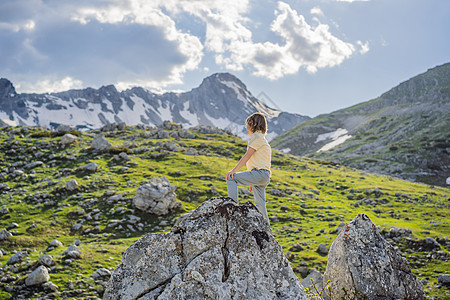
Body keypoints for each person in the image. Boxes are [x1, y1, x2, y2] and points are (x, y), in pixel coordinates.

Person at [225, 112, 272, 224]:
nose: (247, 129)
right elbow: (260, 161)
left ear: (252, 125)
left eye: (247, 126)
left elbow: (248, 155)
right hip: (264, 175)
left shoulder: (256, 137)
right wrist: (252, 180)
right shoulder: (264, 140)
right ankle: (267, 228)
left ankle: (232, 207)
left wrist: (234, 170)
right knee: (260, 203)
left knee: (231, 178)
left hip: (258, 173)